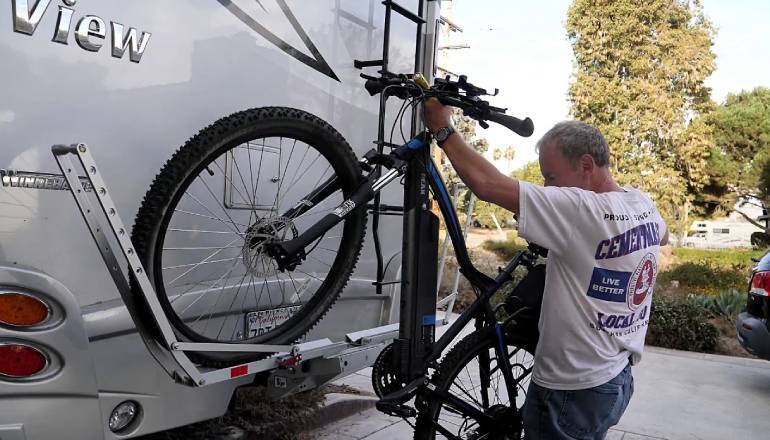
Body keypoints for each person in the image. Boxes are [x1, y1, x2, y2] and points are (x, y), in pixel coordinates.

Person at [423, 98, 668, 440]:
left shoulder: (581, 209)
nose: (548, 187)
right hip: (615, 379)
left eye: (551, 177)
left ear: (586, 164)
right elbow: (661, 237)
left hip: (569, 390)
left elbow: (486, 183)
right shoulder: (642, 204)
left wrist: (442, 127)